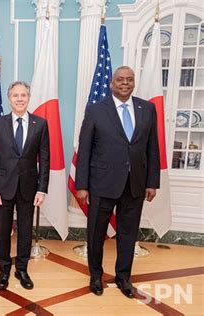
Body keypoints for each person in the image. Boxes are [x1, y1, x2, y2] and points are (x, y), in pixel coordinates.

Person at [75, 66, 160, 298]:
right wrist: (81, 185)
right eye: (120, 79)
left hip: (135, 184)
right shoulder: (95, 110)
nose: (125, 83)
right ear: (112, 83)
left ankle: (123, 278)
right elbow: (85, 149)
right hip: (102, 183)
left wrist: (152, 182)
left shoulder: (147, 109)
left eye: (129, 80)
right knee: (95, 233)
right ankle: (95, 275)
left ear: (134, 83)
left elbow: (153, 147)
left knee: (128, 234)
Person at [0, 81, 50, 290]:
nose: (20, 99)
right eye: (16, 95)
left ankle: (21, 269)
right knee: (3, 231)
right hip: (2, 188)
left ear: (29, 98)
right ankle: (4, 270)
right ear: (9, 98)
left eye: (23, 95)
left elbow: (45, 158)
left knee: (25, 231)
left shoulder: (40, 124)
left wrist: (42, 188)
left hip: (29, 188)